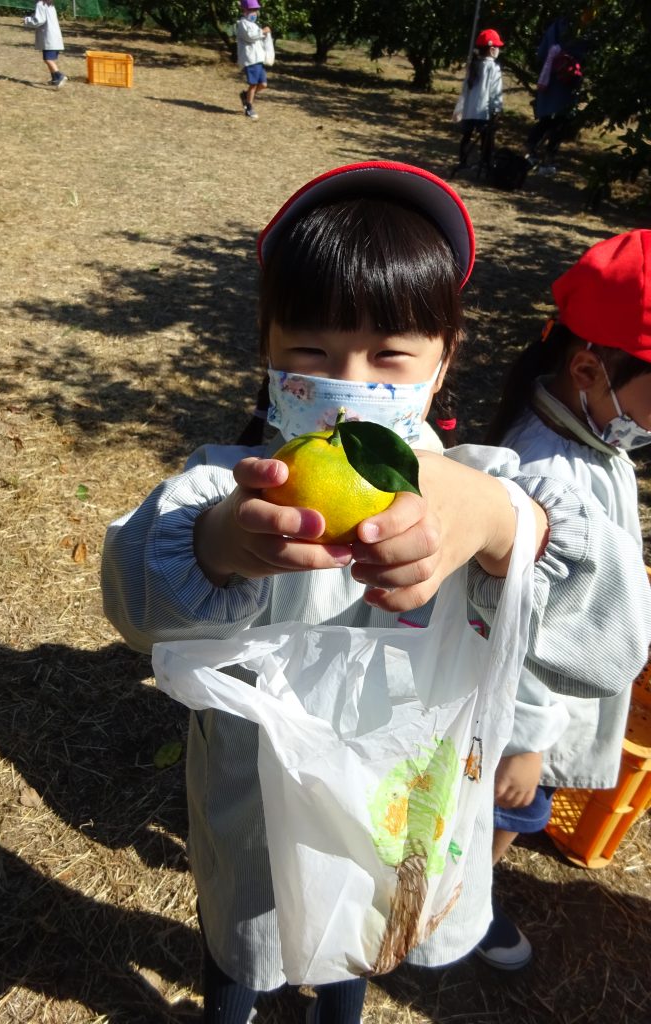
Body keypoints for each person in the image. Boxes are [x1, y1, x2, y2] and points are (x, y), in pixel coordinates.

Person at [101, 161, 651, 1023]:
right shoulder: (232, 485)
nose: (350, 382)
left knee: (356, 944)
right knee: (246, 946)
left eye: (391, 355)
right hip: (253, 819)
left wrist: (506, 525)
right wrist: (221, 547)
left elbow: (613, 644)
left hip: (398, 818)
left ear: (443, 362)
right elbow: (134, 599)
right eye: (312, 352)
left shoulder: (485, 486)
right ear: (269, 353)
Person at [475, 229, 651, 970]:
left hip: (551, 698)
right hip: (526, 712)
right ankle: (457, 899)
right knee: (513, 803)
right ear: (588, 367)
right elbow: (516, 623)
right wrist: (527, 739)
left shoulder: (585, 433)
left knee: (515, 803)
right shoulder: (545, 471)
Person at [525, 17, 584, 175]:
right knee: (560, 122)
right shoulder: (579, 29)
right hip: (566, 84)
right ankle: (548, 158)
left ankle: (532, 149)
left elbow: (541, 53)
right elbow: (586, 54)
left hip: (548, 80)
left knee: (546, 119)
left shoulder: (554, 27)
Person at [454, 29, 504, 174]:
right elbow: (496, 91)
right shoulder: (493, 68)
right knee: (487, 139)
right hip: (484, 111)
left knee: (466, 137)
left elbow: (465, 89)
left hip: (470, 110)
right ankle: (486, 164)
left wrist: (460, 109)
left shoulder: (473, 65)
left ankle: (463, 162)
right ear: (492, 49)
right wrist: (497, 108)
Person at [235, 0, 271, 121]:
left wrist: (264, 35)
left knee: (263, 84)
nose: (254, 13)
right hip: (251, 59)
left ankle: (245, 96)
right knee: (253, 84)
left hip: (258, 59)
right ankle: (249, 108)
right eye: (251, 10)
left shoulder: (254, 24)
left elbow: (257, 38)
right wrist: (263, 32)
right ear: (244, 10)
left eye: (255, 10)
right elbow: (250, 37)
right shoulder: (242, 24)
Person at [23, 0, 67, 88]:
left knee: (48, 59)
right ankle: (54, 79)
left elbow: (39, 20)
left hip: (49, 36)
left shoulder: (40, 4)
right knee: (49, 59)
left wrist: (27, 20)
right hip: (55, 36)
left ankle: (59, 76)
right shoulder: (49, 4)